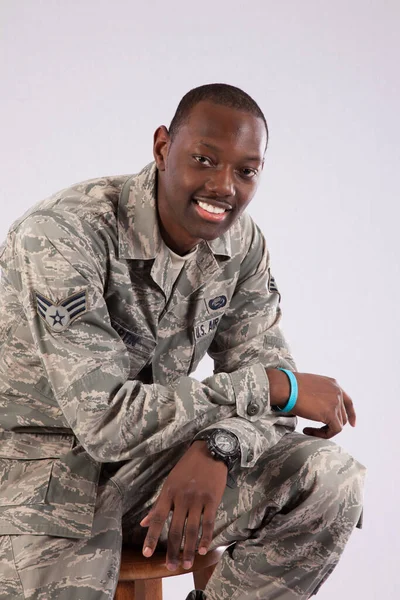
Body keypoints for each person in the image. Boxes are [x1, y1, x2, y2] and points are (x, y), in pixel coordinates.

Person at [0, 83, 364, 600]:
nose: (224, 186)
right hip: (41, 478)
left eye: (246, 170)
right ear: (162, 148)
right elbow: (105, 422)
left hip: (155, 466)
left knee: (330, 479)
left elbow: (274, 389)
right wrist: (268, 387)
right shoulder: (63, 235)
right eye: (204, 159)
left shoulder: (241, 245)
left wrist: (219, 445)